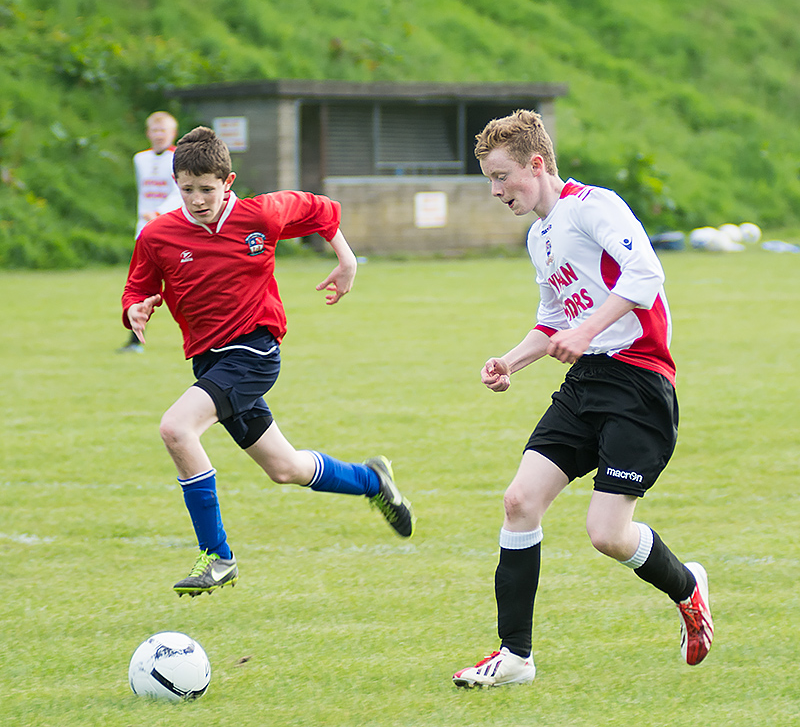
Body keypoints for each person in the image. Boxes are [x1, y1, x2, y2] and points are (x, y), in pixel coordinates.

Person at [452, 110, 713, 688]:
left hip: (639, 383)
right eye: (489, 180)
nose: (496, 191)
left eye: (502, 177)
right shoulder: (538, 236)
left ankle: (687, 587)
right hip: (585, 384)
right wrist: (509, 362)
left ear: (536, 164)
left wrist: (589, 330)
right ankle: (515, 657)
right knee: (519, 501)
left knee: (607, 534)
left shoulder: (593, 206)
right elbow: (553, 322)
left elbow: (645, 275)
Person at [122, 126, 414, 597]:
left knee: (177, 428)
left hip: (254, 351)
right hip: (209, 363)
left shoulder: (261, 214)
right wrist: (134, 307)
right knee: (285, 468)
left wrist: (346, 258)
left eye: (207, 189)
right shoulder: (158, 234)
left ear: (228, 182)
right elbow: (138, 285)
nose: (197, 200)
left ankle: (217, 556)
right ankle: (373, 481)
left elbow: (321, 209)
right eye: (187, 189)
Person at [119, 111, 182, 353]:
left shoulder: (177, 158)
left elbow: (179, 192)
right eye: (154, 131)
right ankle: (135, 338)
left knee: (179, 283)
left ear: (172, 134)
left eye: (163, 131)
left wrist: (160, 212)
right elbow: (142, 193)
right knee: (138, 284)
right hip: (144, 230)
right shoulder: (140, 159)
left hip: (169, 229)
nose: (158, 135)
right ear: (148, 133)